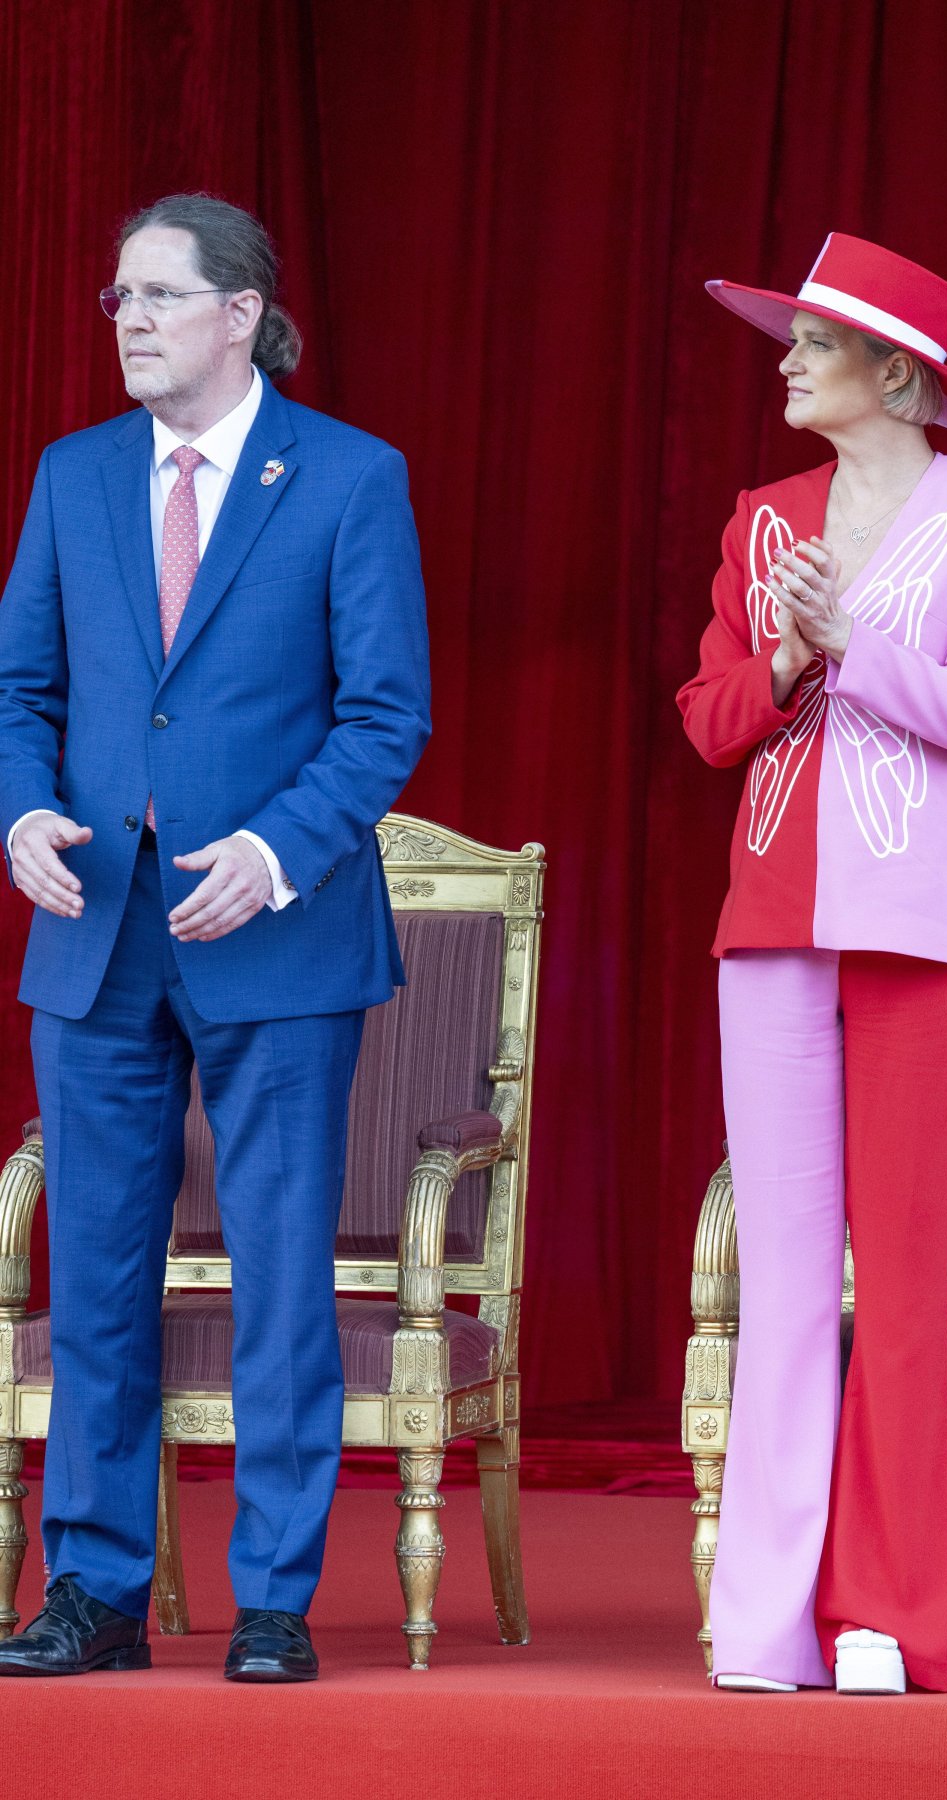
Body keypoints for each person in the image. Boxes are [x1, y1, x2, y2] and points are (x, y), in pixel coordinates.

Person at [0, 193, 430, 1682]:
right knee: (99, 1277)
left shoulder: (350, 480)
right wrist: (19, 817)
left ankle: (272, 1601)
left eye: (158, 296)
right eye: (116, 296)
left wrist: (274, 851)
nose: (127, 318)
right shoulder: (72, 476)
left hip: (281, 941)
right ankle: (97, 1595)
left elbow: (388, 716)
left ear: (241, 313)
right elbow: (21, 692)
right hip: (96, 934)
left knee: (280, 1274)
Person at [677, 232, 947, 1696]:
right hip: (767, 924)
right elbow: (708, 721)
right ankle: (764, 1624)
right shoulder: (763, 516)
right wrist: (782, 661)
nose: (787, 363)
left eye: (813, 344)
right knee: (779, 1283)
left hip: (922, 931)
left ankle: (886, 1618)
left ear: (894, 372)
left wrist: (852, 642)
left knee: (896, 1287)